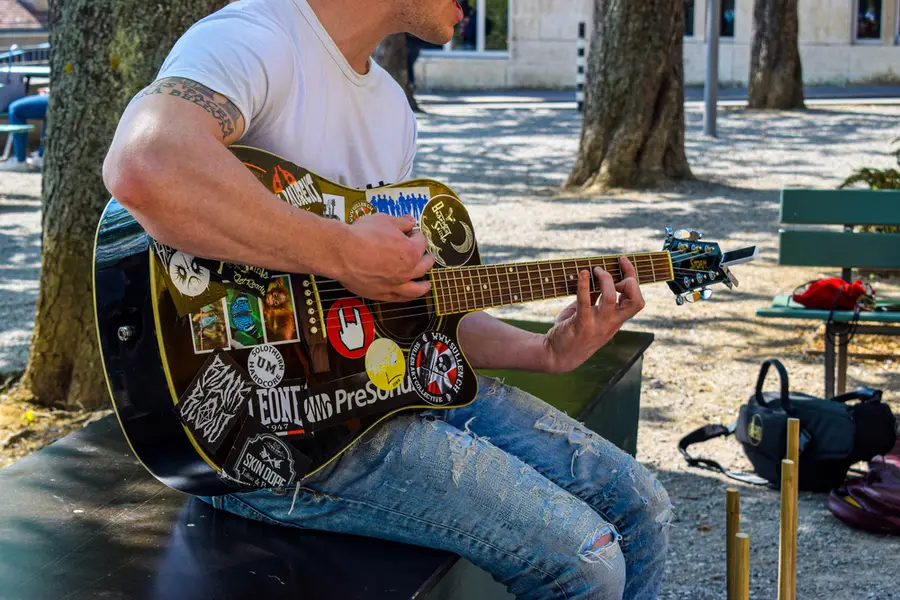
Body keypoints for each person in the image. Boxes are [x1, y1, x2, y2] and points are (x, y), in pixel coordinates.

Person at [102, 1, 672, 598]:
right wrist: (339, 249)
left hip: (384, 395)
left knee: (643, 509)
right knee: (587, 562)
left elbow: (406, 308)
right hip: (269, 439)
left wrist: (547, 351)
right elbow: (148, 162)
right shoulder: (255, 37)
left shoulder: (390, 108)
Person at [0, 88, 48, 172]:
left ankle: (19, 159)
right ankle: (42, 154)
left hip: (60, 96)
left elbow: (68, 75)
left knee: (16, 109)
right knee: (49, 114)